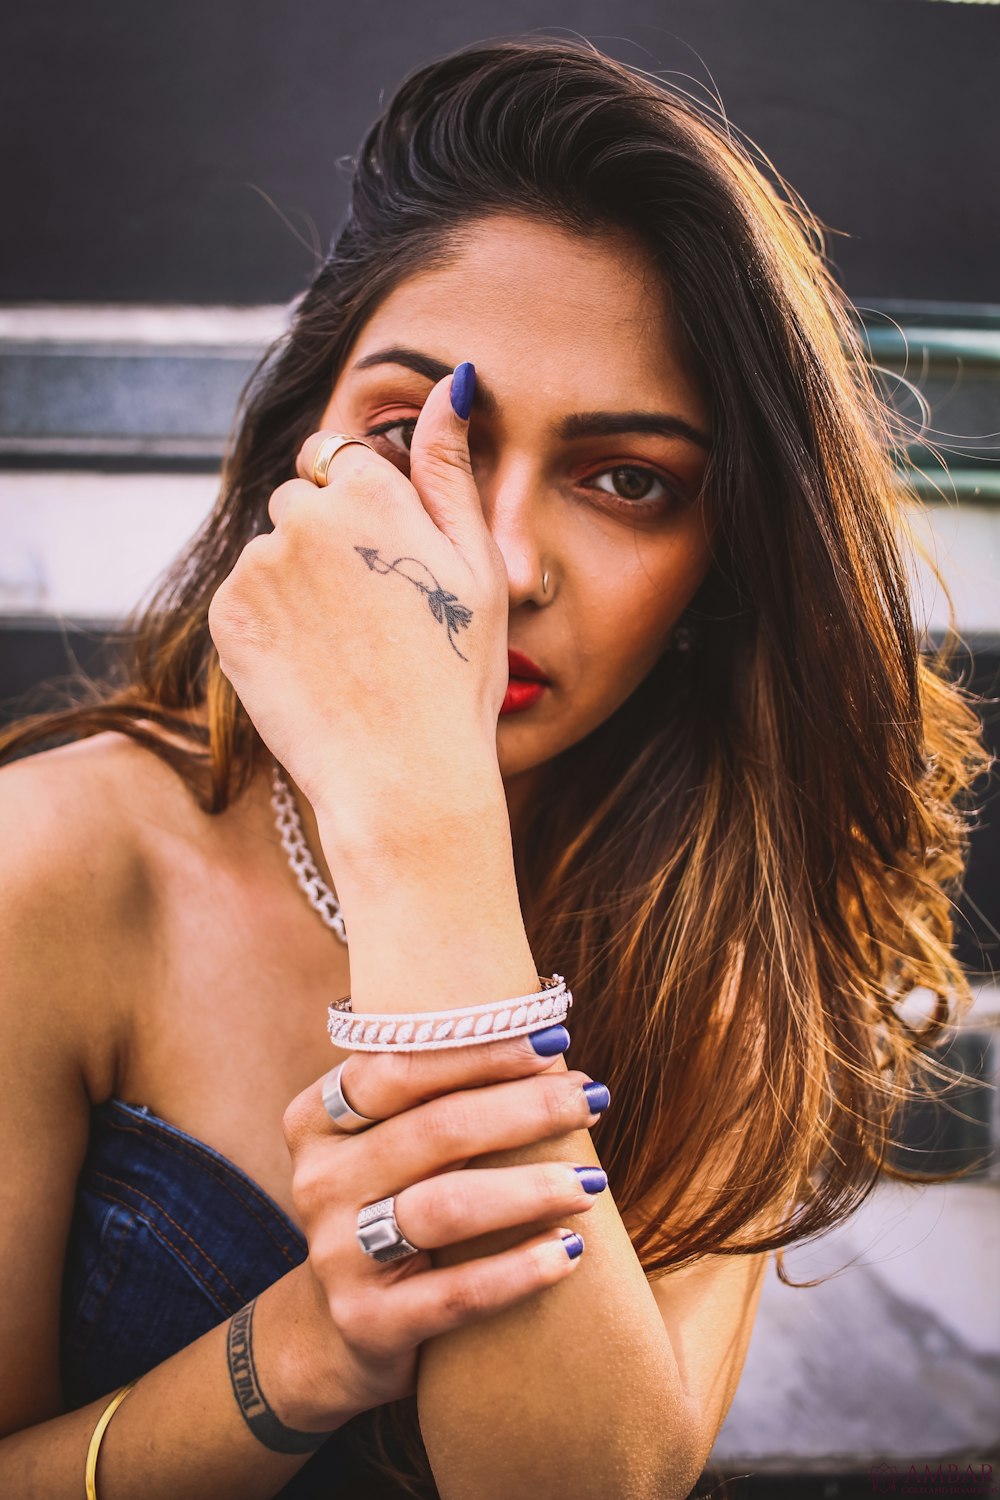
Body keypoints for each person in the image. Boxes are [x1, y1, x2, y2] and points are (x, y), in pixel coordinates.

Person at [0, 35, 987, 1500]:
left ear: (723, 563)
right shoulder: (57, 863)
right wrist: (302, 1351)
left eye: (628, 479)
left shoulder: (732, 923)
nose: (499, 564)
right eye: (414, 432)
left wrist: (419, 823)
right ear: (300, 458)